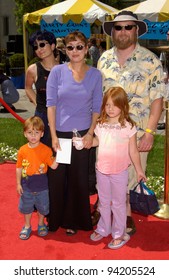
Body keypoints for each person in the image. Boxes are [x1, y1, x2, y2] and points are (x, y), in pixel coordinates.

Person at [96, 10, 164, 235]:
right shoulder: (103, 59)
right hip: (107, 130)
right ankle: (103, 209)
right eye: (118, 27)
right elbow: (98, 98)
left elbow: (157, 100)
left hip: (136, 129)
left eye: (128, 27)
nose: (123, 32)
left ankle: (125, 215)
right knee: (105, 169)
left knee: (132, 173)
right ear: (112, 31)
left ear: (136, 31)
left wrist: (150, 132)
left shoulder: (151, 61)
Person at [46, 31, 102, 235]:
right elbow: (50, 105)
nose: (75, 51)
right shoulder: (57, 72)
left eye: (79, 46)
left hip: (82, 136)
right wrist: (52, 135)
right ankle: (56, 218)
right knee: (58, 178)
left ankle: (74, 220)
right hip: (60, 133)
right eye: (70, 47)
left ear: (86, 49)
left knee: (78, 179)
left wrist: (90, 134)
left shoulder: (96, 75)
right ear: (65, 50)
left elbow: (97, 108)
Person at [90, 86, 146, 249]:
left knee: (119, 203)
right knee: (104, 202)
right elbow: (97, 142)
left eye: (114, 105)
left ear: (123, 106)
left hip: (119, 171)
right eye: (107, 105)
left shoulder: (128, 126)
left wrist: (139, 170)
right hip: (102, 170)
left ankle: (119, 233)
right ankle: (103, 227)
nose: (110, 109)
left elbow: (133, 151)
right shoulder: (101, 124)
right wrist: (85, 143)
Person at [16, 116, 58, 240]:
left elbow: (54, 165)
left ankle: (41, 224)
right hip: (26, 186)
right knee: (27, 208)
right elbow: (18, 168)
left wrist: (61, 153)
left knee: (43, 208)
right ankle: (27, 226)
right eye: (30, 132)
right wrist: (18, 183)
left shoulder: (46, 150)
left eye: (36, 132)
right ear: (25, 134)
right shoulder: (22, 150)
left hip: (42, 187)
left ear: (42, 133)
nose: (33, 136)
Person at [25, 30, 59, 144]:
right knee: (41, 152)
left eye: (43, 44)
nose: (39, 49)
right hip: (41, 117)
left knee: (60, 152)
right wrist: (36, 102)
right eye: (36, 47)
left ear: (53, 45)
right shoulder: (33, 69)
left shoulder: (65, 69)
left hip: (61, 116)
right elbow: (28, 88)